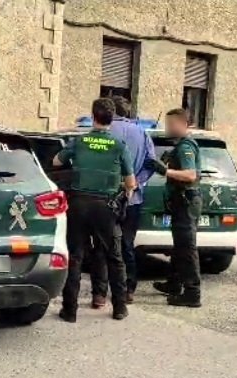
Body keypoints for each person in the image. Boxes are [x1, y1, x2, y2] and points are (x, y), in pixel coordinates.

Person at [53, 98, 137, 322]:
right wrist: (125, 191)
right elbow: (131, 182)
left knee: (75, 256)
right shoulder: (119, 145)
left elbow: (57, 161)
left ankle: (70, 310)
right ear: (112, 119)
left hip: (79, 205)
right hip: (105, 207)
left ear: (93, 116)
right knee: (114, 257)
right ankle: (119, 307)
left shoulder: (79, 141)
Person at [88, 96, 157, 308]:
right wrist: (136, 183)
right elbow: (151, 163)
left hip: (105, 197)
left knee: (102, 246)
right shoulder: (142, 133)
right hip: (132, 199)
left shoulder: (104, 132)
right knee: (127, 245)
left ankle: (100, 294)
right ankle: (128, 290)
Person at [149, 108, 203, 307]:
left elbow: (190, 175)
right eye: (167, 123)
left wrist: (166, 171)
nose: (168, 127)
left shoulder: (185, 146)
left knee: (187, 247)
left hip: (186, 201)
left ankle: (192, 293)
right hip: (181, 201)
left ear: (184, 124)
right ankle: (174, 284)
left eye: (172, 124)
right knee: (180, 246)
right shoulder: (179, 146)